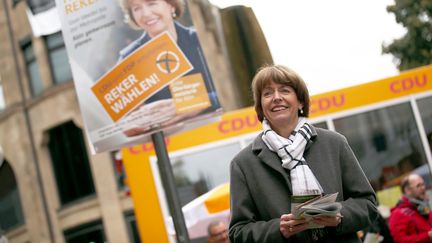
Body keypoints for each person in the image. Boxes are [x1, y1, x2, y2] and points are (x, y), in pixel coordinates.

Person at [229, 64, 378, 242]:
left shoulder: (334, 143)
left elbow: (368, 204)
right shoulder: (243, 164)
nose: (276, 98)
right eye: (267, 93)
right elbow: (238, 232)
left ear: (300, 101)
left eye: (284, 90)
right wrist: (278, 229)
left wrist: (339, 215)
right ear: (261, 107)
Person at [117, 0, 220, 136]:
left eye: (152, 3)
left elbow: (233, 92)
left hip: (218, 130)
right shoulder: (128, 59)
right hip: (167, 142)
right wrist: (131, 123)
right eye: (136, 8)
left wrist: (198, 103)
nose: (146, 14)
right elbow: (123, 121)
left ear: (171, 5)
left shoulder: (201, 40)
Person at [389, 173, 432, 242]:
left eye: (423, 184)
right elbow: (400, 240)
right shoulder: (398, 213)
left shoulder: (423, 207)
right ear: (407, 190)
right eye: (418, 186)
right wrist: (427, 236)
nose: (423, 188)